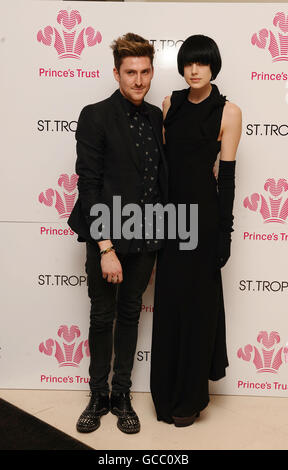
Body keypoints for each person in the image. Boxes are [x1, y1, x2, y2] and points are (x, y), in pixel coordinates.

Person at [68, 33, 168, 434]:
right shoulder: (95, 115)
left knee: (130, 315)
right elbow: (88, 185)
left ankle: (122, 394)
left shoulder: (156, 117)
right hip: (106, 237)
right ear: (116, 73)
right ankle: (97, 395)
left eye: (145, 72)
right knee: (101, 315)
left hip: (146, 237)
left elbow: (159, 178)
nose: (139, 80)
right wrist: (105, 246)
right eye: (131, 73)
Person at [150, 35, 242, 427]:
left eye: (201, 63)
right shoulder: (170, 104)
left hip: (204, 221)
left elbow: (228, 178)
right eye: (188, 63)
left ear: (212, 67)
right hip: (172, 220)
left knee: (199, 308)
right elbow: (163, 168)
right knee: (169, 305)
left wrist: (225, 232)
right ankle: (166, 393)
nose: (193, 70)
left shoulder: (229, 112)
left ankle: (190, 398)